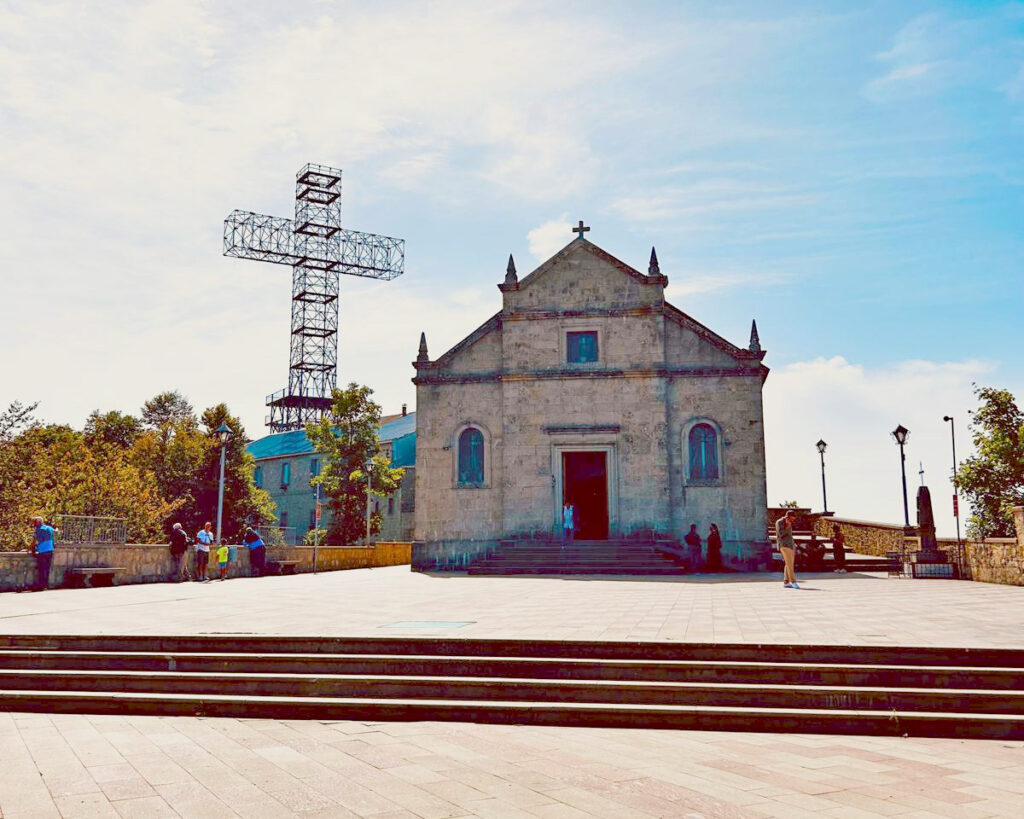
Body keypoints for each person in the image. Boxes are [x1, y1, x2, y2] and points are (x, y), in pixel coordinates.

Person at [30, 516, 55, 591]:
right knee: (47, 569)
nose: (34, 524)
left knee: (41, 569)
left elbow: (34, 541)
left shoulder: (38, 529)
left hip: (42, 551)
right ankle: (46, 585)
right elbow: (56, 531)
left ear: (38, 522)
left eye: (35, 522)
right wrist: (56, 528)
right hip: (50, 550)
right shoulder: (49, 528)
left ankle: (41, 586)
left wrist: (30, 549)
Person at [775, 510, 798, 589]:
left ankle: (786, 582)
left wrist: (794, 545)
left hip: (790, 545)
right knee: (789, 564)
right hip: (784, 545)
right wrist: (787, 526)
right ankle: (793, 581)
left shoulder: (789, 523)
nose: (792, 520)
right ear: (788, 517)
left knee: (789, 563)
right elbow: (781, 534)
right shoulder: (779, 522)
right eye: (792, 519)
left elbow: (790, 535)